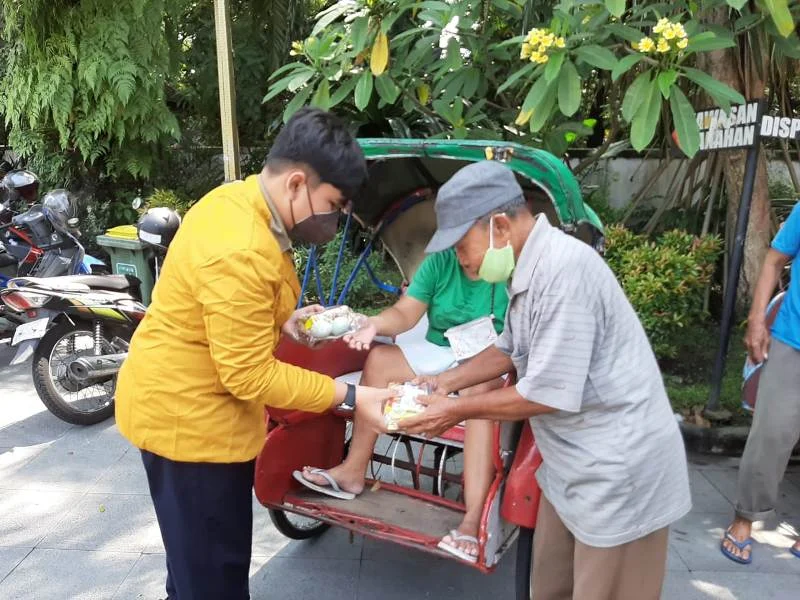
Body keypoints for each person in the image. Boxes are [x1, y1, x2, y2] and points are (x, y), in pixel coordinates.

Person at [114, 108, 393, 600]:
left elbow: (234, 305)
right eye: (336, 203)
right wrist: (349, 395)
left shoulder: (238, 200)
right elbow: (247, 375)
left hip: (189, 411)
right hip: (189, 430)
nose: (340, 217)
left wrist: (284, 319)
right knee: (212, 580)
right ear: (297, 183)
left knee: (195, 567)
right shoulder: (239, 247)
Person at [398, 160, 692, 599]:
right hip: (571, 469)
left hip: (618, 474)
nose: (459, 259)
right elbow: (508, 349)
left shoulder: (563, 272)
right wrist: (444, 383)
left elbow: (546, 392)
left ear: (498, 225)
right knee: (550, 587)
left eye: (461, 245)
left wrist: (454, 410)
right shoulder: (529, 269)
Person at [295, 233, 510, 562]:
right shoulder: (441, 261)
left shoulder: (511, 268)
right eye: (455, 245)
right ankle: (353, 471)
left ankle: (472, 517)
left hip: (490, 355)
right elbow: (406, 313)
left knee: (477, 392)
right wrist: (372, 323)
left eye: (466, 245)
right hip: (441, 348)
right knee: (379, 360)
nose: (460, 255)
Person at [720, 202, 800, 564]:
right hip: (793, 339)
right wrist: (756, 320)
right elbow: (774, 259)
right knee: (771, 431)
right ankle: (745, 518)